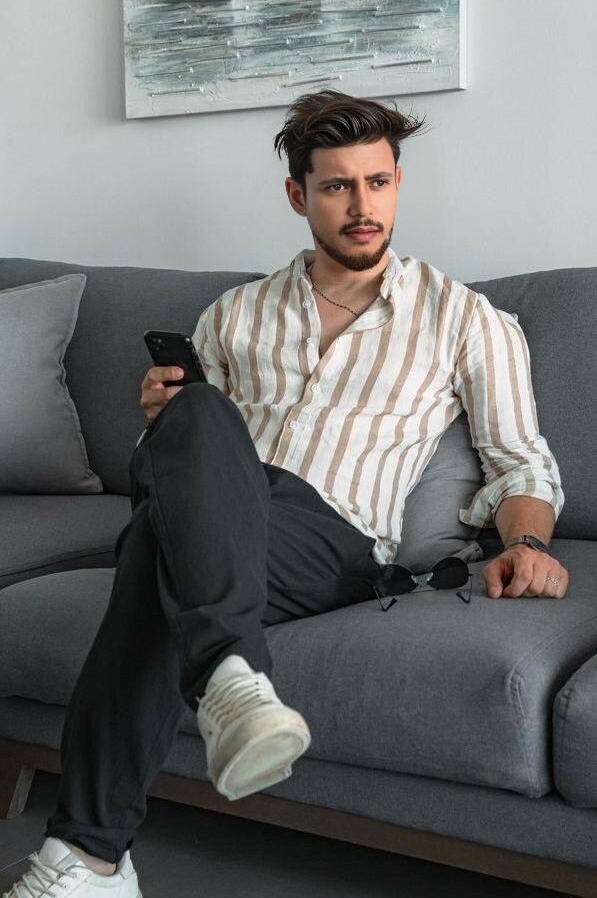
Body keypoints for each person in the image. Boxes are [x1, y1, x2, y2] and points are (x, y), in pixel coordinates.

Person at [4, 89, 568, 897]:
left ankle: (91, 856)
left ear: (397, 185)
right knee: (193, 418)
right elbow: (171, 467)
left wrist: (527, 543)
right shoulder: (233, 316)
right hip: (219, 520)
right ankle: (206, 710)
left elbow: (519, 460)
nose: (362, 206)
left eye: (377, 182)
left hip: (334, 542)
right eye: (337, 186)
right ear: (297, 196)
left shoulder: (464, 318)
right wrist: (164, 420)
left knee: (153, 555)